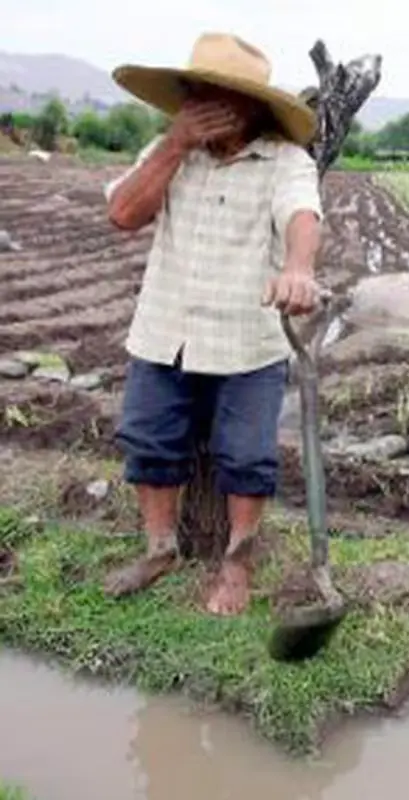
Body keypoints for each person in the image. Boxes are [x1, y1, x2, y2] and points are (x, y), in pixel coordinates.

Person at [101, 32, 324, 615]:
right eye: (197, 92)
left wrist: (299, 268)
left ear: (252, 105)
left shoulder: (284, 161)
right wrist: (175, 144)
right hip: (165, 327)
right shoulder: (167, 150)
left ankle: (237, 562)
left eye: (222, 94)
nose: (206, 104)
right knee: (149, 443)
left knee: (247, 458)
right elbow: (123, 213)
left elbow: (302, 213)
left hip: (246, 339)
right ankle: (158, 550)